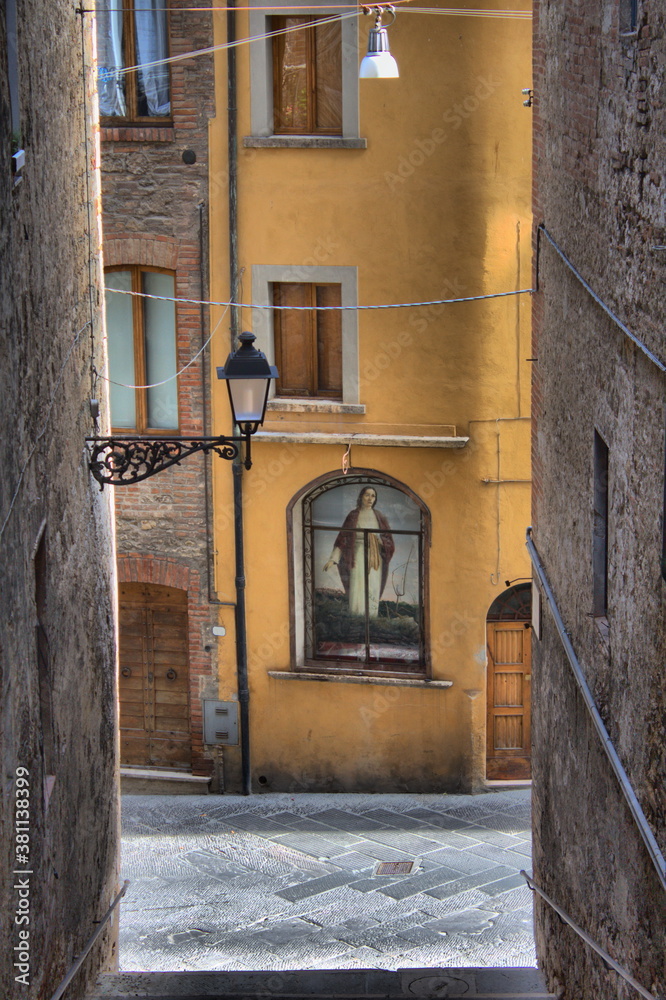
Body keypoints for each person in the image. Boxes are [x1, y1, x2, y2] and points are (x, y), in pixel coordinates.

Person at [323, 486, 395, 617]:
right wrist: (333, 559)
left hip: (375, 556)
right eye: (367, 495)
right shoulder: (353, 515)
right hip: (357, 554)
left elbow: (388, 540)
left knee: (373, 584)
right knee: (358, 584)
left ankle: (371, 617)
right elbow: (343, 538)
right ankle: (356, 616)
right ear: (361, 496)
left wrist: (380, 543)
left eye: (373, 496)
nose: (370, 498)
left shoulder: (379, 516)